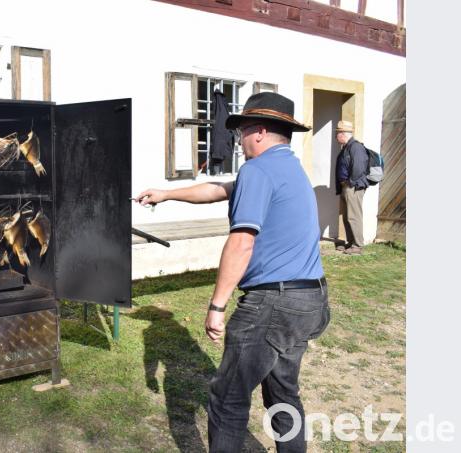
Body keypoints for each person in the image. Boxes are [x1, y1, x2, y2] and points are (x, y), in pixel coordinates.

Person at [136, 92, 330, 453]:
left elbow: (242, 243)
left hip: (274, 304)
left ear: (257, 131)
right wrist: (167, 194)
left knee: (227, 400)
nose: (238, 142)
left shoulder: (257, 170)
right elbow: (219, 189)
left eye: (241, 132)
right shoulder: (288, 168)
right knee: (283, 392)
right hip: (310, 300)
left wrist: (217, 305)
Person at [334, 120, 368, 255]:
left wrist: (350, 182)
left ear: (343, 134)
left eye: (337, 134)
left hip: (353, 187)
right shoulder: (347, 147)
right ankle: (351, 242)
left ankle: (357, 245)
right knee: (347, 216)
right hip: (346, 187)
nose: (336, 136)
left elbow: (359, 167)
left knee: (354, 216)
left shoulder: (355, 147)